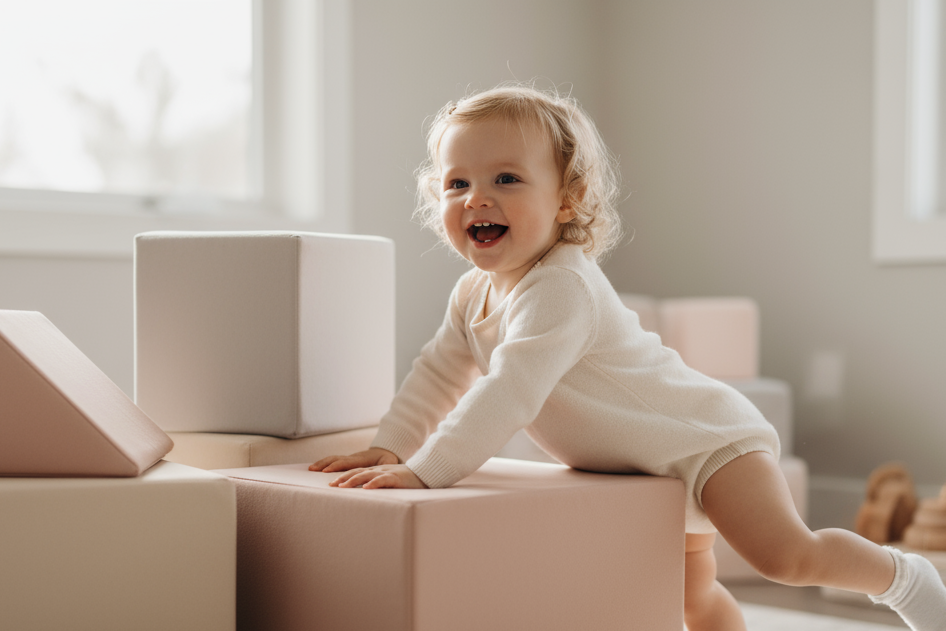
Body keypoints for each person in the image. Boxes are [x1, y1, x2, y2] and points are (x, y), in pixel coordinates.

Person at [310, 83, 946, 631]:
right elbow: (438, 373)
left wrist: (429, 470)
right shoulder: (472, 291)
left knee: (785, 558)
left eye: (506, 179)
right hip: (651, 471)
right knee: (692, 597)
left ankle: (904, 577)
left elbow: (509, 390)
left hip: (706, 443)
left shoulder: (560, 285)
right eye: (457, 183)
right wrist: (392, 446)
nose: (477, 197)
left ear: (566, 200)